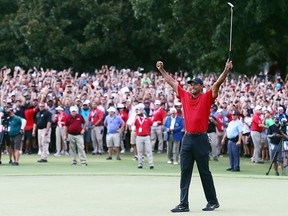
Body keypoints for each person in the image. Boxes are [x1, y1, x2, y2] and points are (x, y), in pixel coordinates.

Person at [156, 59, 233, 212]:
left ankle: (212, 201)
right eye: (190, 85)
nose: (192, 87)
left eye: (195, 85)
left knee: (204, 171)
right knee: (185, 171)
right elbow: (171, 82)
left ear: (201, 87)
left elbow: (218, 83)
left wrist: (226, 70)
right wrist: (161, 70)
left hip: (201, 139)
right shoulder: (184, 96)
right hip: (187, 138)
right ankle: (183, 204)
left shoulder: (207, 97)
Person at [133, 103, 154, 169]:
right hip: (139, 136)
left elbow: (153, 123)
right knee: (139, 151)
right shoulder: (136, 119)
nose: (141, 111)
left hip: (146, 136)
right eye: (140, 110)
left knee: (148, 150)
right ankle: (140, 163)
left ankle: (151, 163)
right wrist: (135, 115)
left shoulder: (147, 119)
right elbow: (130, 122)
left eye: (142, 110)